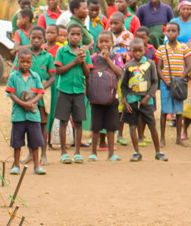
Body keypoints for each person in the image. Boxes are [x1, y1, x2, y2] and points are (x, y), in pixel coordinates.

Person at [52, 24, 92, 164]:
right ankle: (63, 153)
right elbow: (58, 71)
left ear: (81, 37)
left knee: (78, 121)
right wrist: (75, 62)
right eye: (72, 34)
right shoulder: (62, 51)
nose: (75, 37)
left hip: (79, 91)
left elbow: (88, 74)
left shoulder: (85, 53)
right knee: (63, 121)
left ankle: (77, 153)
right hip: (64, 90)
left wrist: (82, 63)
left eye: (78, 35)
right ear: (67, 35)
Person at [121, 38, 165, 161]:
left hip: (147, 100)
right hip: (131, 100)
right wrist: (125, 101)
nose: (138, 53)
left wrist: (147, 96)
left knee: (152, 125)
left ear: (145, 50)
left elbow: (155, 82)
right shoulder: (127, 66)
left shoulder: (150, 64)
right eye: (134, 51)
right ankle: (136, 152)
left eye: (140, 50)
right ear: (130, 51)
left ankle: (158, 152)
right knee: (132, 125)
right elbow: (123, 85)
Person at [5, 49, 48, 176]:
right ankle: (16, 165)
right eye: (22, 61)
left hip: (33, 115)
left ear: (31, 63)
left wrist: (32, 102)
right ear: (17, 62)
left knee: (35, 141)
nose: (25, 64)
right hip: (18, 115)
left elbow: (40, 92)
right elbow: (11, 93)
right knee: (17, 142)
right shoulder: (13, 76)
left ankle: (37, 166)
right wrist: (22, 103)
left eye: (28, 62)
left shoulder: (35, 77)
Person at [154, 20, 190, 146]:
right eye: (168, 31)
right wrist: (166, 81)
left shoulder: (184, 48)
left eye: (173, 31)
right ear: (165, 32)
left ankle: (178, 138)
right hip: (166, 84)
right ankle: (162, 138)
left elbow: (188, 65)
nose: (171, 33)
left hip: (179, 84)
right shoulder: (161, 49)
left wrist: (180, 79)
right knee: (164, 111)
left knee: (179, 111)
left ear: (178, 33)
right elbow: (159, 67)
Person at [89, 31, 124, 161]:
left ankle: (111, 153)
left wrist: (108, 59)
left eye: (107, 41)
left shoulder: (116, 57)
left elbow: (120, 72)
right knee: (96, 126)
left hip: (112, 97)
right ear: (97, 44)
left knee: (111, 126)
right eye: (101, 42)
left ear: (112, 43)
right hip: (96, 97)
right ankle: (93, 153)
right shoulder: (93, 58)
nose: (104, 44)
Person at [24, 26, 56, 164]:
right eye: (33, 37)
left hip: (43, 92)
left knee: (43, 124)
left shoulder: (48, 56)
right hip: (26, 91)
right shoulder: (24, 54)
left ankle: (43, 154)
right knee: (29, 123)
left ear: (44, 39)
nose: (36, 40)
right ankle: (31, 153)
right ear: (29, 38)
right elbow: (16, 73)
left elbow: (52, 77)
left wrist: (41, 88)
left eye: (39, 38)